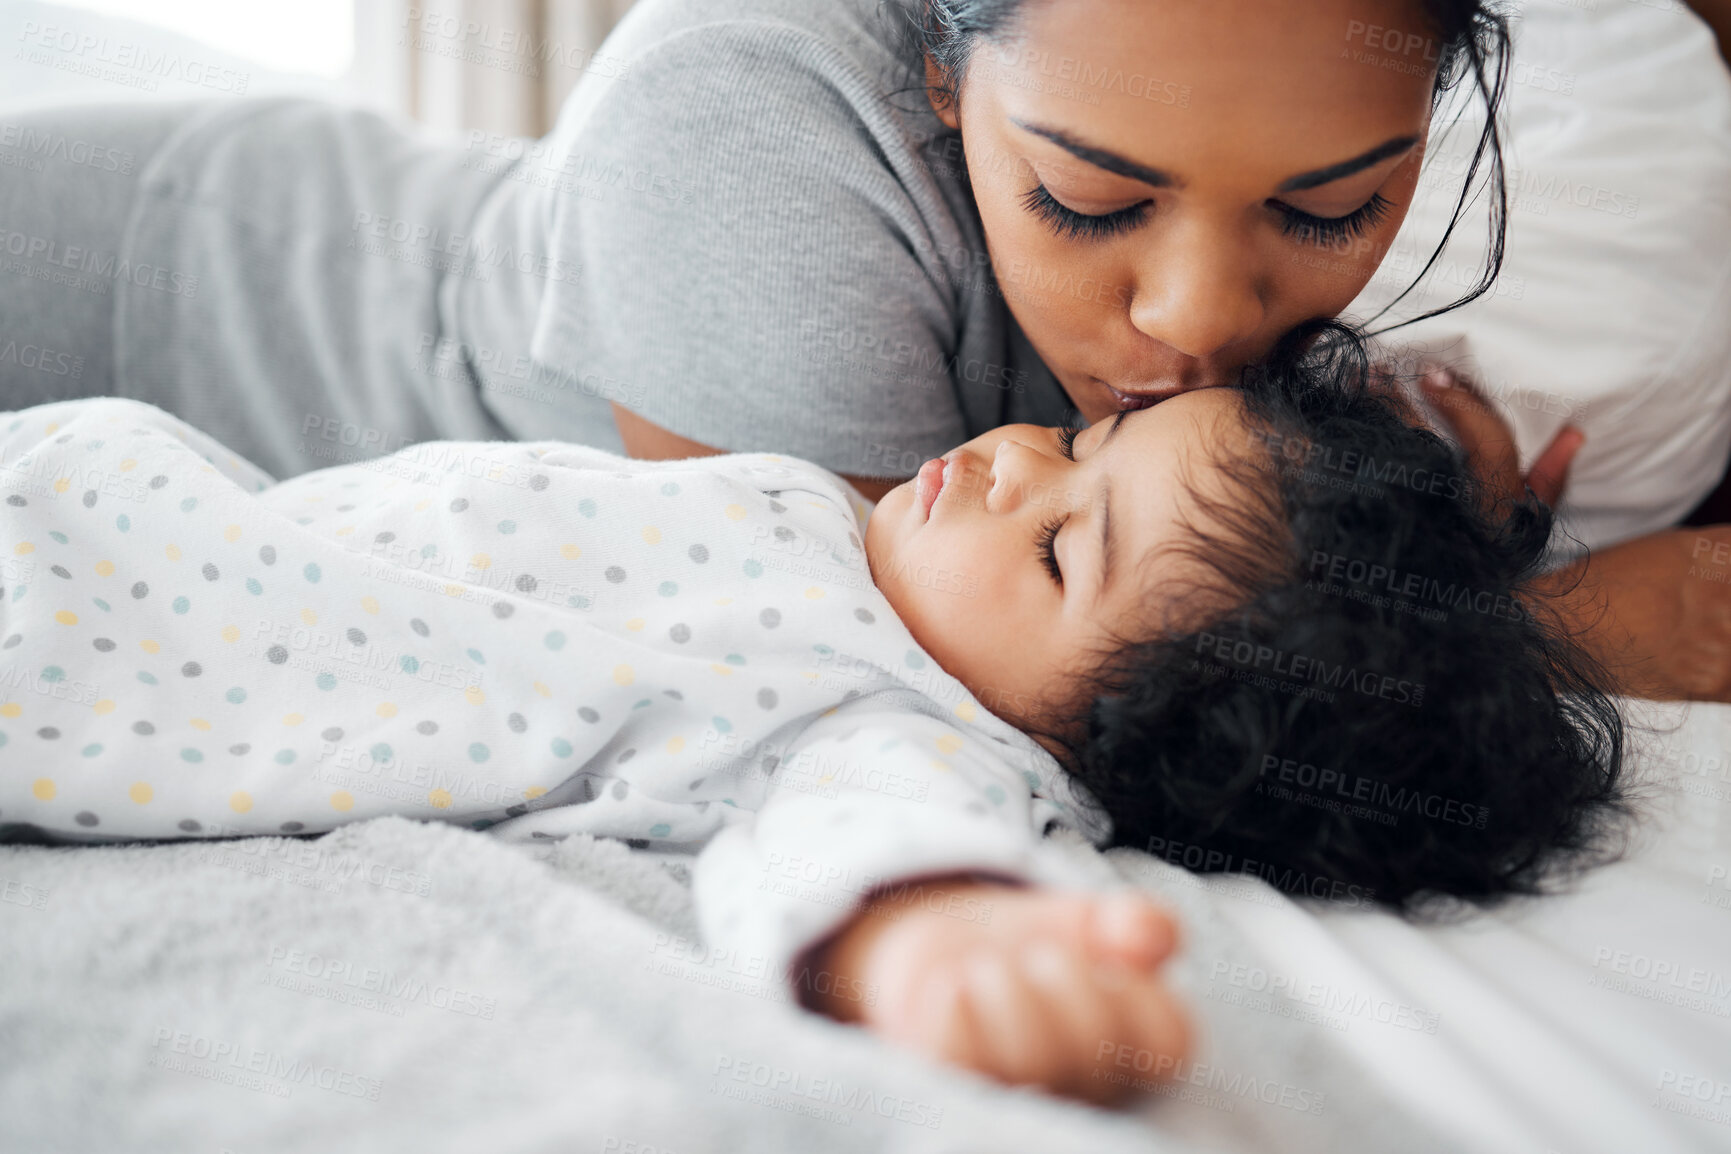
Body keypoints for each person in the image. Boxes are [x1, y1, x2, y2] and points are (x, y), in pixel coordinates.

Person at [0, 322, 1627, 1103]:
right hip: (128, 500)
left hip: (97, 642)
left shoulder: (910, 717)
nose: (1011, 461)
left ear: (1100, 745)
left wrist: (935, 940)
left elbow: (882, 839)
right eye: (1079, 440)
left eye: (1062, 547)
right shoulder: (853, 538)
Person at [1, 0, 1726, 701]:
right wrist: (1526, 639)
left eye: (1330, 208)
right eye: (1086, 203)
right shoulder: (746, 123)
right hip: (144, 295)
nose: (1206, 321)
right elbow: (896, 685)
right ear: (942, 81)